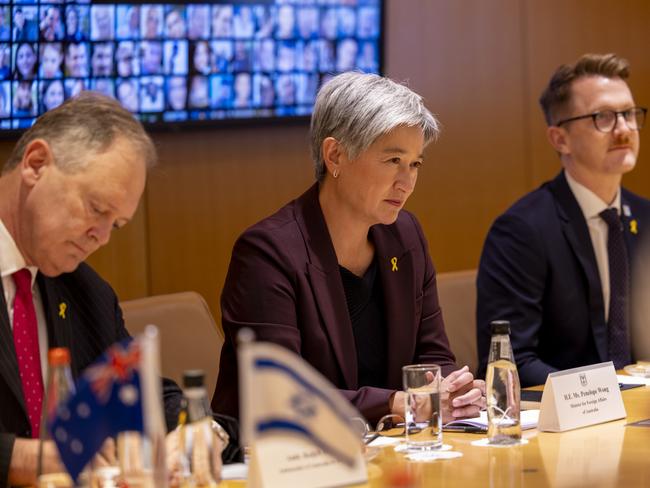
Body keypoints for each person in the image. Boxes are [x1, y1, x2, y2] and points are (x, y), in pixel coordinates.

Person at [213, 72, 486, 424]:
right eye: (393, 161)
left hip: (389, 452)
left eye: (415, 164)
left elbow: (432, 355)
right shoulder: (268, 253)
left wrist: (451, 391)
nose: (406, 182)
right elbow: (280, 395)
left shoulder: (406, 236)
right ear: (335, 155)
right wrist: (394, 404)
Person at [0, 94, 231, 487]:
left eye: (116, 225)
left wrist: (202, 432)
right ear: (36, 164)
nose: (102, 238)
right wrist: (23, 457)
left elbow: (151, 397)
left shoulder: (85, 292)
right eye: (96, 209)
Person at [476, 53, 650, 387]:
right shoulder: (522, 231)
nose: (624, 129)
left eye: (628, 114)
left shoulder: (646, 218)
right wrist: (604, 393)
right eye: (603, 117)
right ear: (560, 139)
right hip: (567, 423)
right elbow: (509, 362)